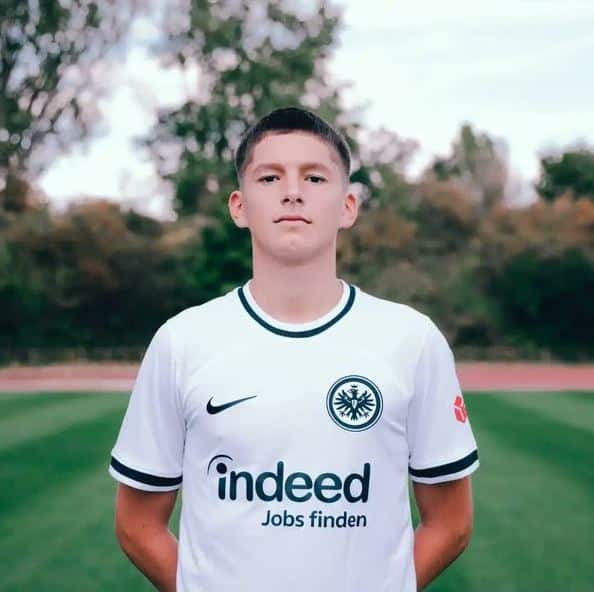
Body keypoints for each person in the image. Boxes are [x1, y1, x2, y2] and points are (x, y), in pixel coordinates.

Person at [109, 107, 479, 592]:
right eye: (269, 177)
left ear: (348, 206)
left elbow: (451, 522)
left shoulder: (412, 340)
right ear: (239, 206)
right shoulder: (182, 342)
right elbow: (137, 523)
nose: (292, 191)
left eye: (314, 177)